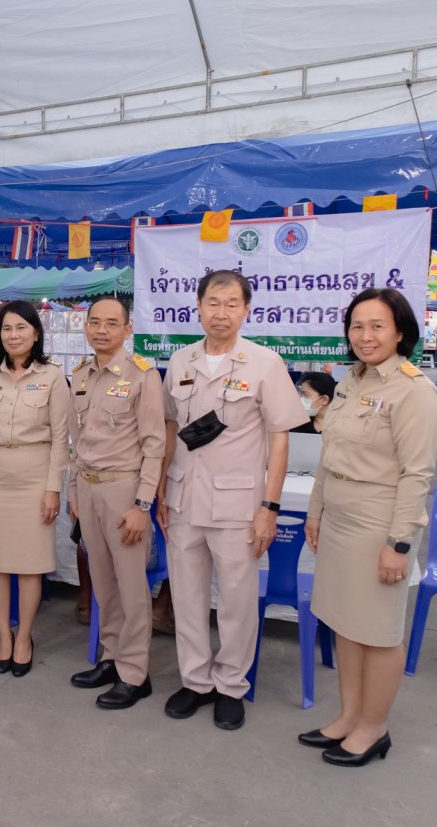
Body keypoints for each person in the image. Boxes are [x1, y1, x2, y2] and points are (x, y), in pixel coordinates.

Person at [157, 270, 305, 731]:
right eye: (213, 303)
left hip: (239, 506)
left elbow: (280, 439)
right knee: (187, 597)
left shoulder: (264, 363)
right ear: (198, 307)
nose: (221, 313)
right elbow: (170, 427)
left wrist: (269, 507)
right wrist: (161, 486)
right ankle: (196, 680)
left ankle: (230, 686)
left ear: (246, 310)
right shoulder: (180, 361)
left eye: (231, 304)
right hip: (183, 498)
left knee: (237, 602)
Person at [301, 288, 437, 767]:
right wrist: (316, 510)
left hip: (380, 522)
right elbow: (330, 454)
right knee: (345, 621)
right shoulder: (349, 381)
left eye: (377, 326)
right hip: (339, 518)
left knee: (378, 631)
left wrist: (398, 545)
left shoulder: (413, 390)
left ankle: (373, 728)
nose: (365, 336)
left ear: (400, 332)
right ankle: (348, 716)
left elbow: (417, 475)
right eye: (357, 326)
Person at [67, 297, 166, 709]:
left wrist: (142, 505)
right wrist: (74, 489)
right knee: (104, 583)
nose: (101, 330)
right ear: (86, 327)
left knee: (131, 588)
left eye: (111, 323)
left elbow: (155, 445)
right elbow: (77, 441)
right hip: (88, 489)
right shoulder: (80, 375)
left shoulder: (142, 376)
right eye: (95, 322)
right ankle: (110, 657)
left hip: (124, 491)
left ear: (128, 329)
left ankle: (134, 673)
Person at [0, 300, 69, 678]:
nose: (13, 335)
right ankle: (3, 636)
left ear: (36, 333)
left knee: (29, 565)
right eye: (7, 328)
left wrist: (53, 488)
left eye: (21, 328)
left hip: (35, 476)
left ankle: (24, 636)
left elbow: (61, 438)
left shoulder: (52, 376)